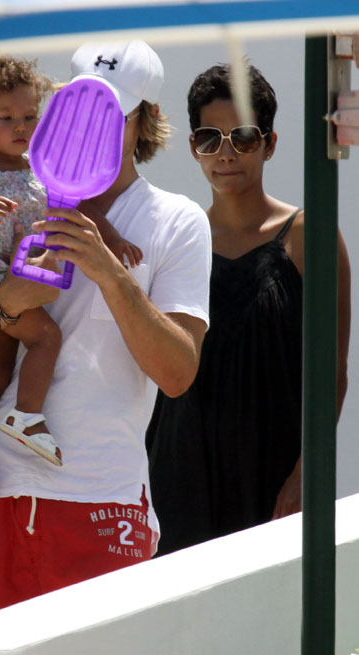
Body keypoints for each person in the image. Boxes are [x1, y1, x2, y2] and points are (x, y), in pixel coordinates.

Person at [0, 40, 211, 624]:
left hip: (99, 500)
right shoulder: (14, 197)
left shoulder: (178, 220)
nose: (89, 123)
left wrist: (107, 269)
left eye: (110, 111)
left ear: (145, 118)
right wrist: (6, 300)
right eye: (75, 106)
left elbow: (177, 374)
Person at [146, 63, 351, 556]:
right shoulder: (172, 236)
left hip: (273, 471)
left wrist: (307, 473)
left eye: (242, 136)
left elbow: (334, 372)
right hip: (176, 470)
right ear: (194, 146)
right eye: (208, 138)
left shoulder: (310, 235)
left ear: (270, 143)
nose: (226, 154)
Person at [0, 56, 142, 501]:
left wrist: (115, 238)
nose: (20, 126)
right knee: (45, 335)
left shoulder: (41, 167)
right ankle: (26, 415)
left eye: (29, 116)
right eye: (5, 118)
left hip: (2, 278)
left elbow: (79, 208)